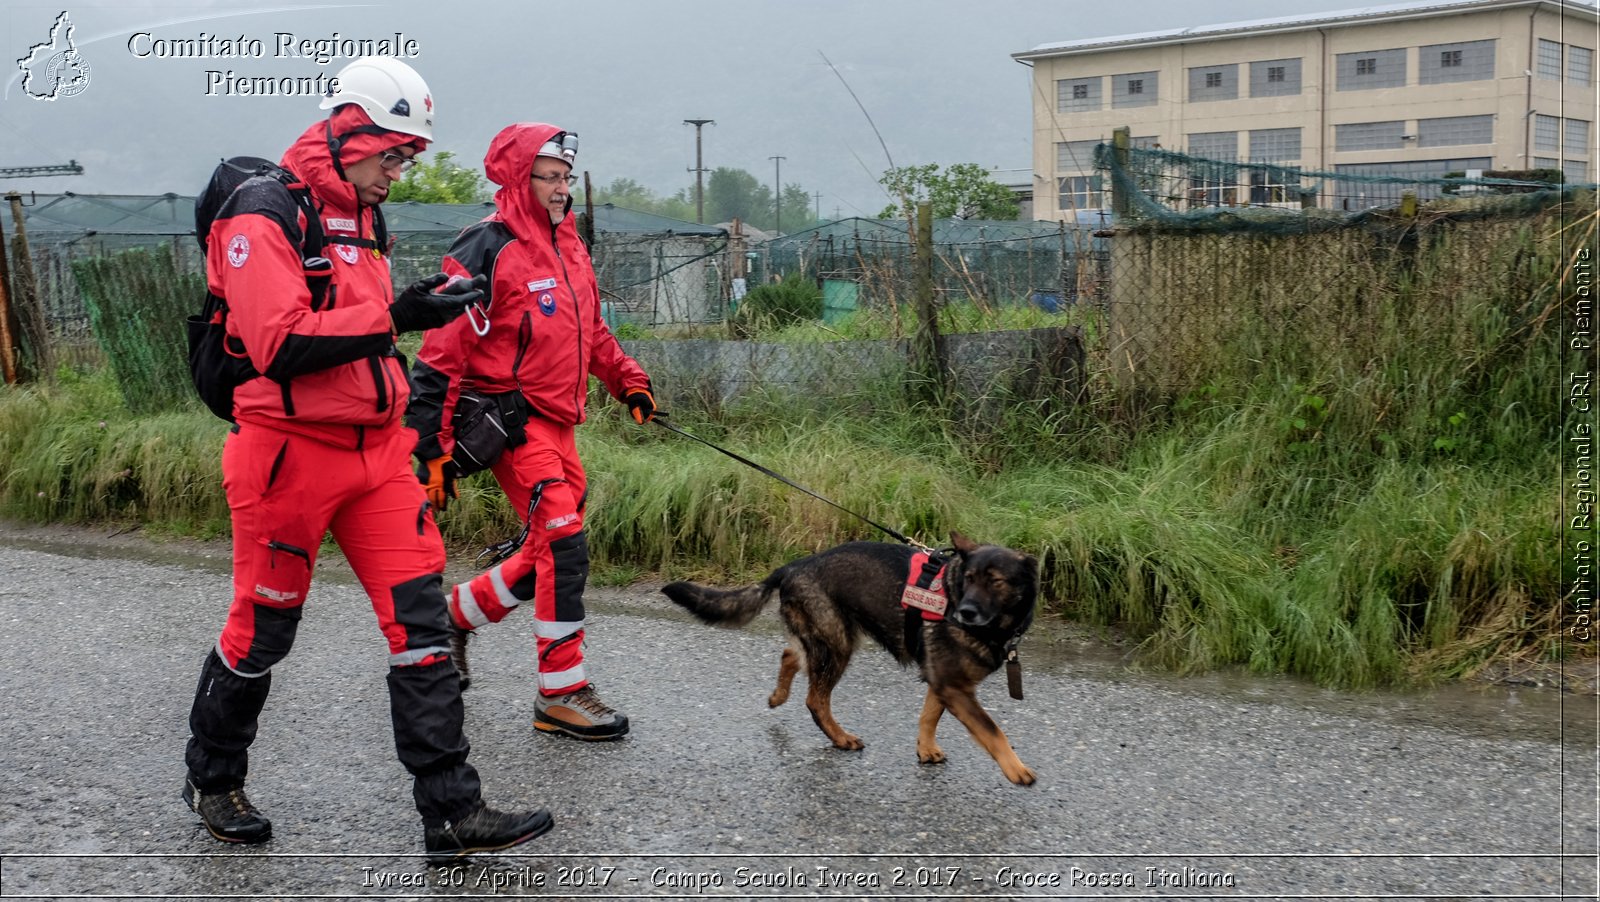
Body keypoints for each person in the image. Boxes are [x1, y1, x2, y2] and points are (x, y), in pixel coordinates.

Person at [182, 57, 552, 861]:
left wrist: (411, 315)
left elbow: (361, 331)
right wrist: (399, 313)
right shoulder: (260, 213)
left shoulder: (363, 217)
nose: (401, 170)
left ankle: (452, 813)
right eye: (395, 154)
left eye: (410, 156)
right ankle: (214, 778)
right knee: (263, 631)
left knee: (422, 628)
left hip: (377, 458)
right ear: (351, 132)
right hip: (286, 457)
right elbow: (277, 343)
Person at [407, 122, 655, 741]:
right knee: (566, 543)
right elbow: (440, 353)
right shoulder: (484, 247)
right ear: (520, 177)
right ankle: (561, 691)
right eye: (551, 176)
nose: (562, 189)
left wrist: (628, 380)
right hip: (511, 424)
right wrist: (429, 448)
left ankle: (454, 615)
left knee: (548, 548)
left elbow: (591, 332)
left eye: (567, 178)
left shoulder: (570, 246)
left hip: (562, 423)